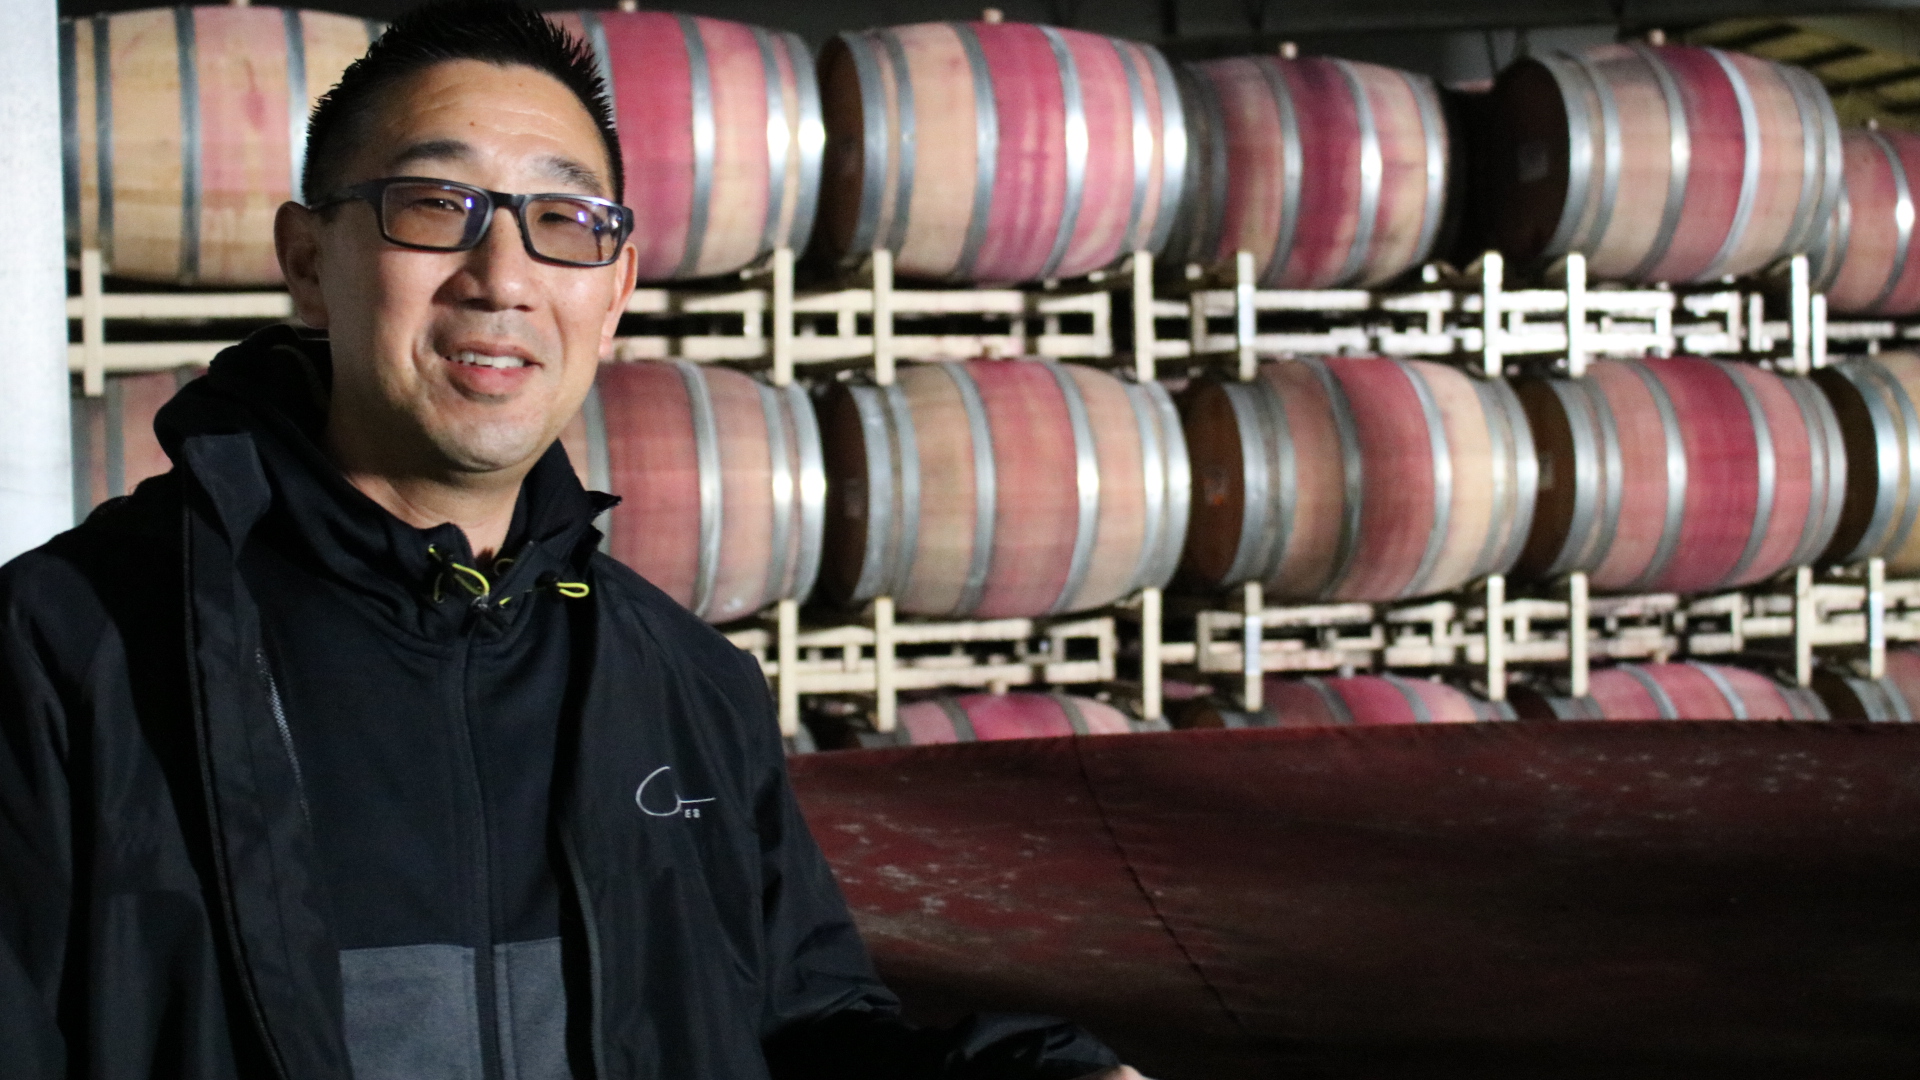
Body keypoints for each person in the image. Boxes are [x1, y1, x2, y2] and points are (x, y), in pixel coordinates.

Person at [0, 4, 1150, 1078]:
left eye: (565, 224)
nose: (502, 278)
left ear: (615, 290)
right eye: (435, 207)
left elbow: (804, 1029)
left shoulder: (685, 684)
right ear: (308, 260)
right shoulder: (70, 651)